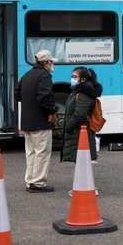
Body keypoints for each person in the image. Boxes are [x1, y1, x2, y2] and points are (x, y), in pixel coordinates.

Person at [15, 50, 57, 192]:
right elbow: (45, 97)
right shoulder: (44, 76)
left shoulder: (27, 75)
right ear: (46, 62)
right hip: (41, 121)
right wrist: (52, 111)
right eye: (51, 62)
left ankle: (30, 181)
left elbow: (17, 94)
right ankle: (38, 183)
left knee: (31, 152)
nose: (53, 65)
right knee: (42, 152)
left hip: (27, 122)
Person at [61, 67, 102, 163]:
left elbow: (80, 114)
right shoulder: (77, 92)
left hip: (80, 133)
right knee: (81, 162)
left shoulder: (84, 94)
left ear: (83, 79)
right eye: (71, 76)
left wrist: (68, 127)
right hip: (77, 133)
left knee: (83, 162)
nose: (72, 79)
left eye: (75, 77)